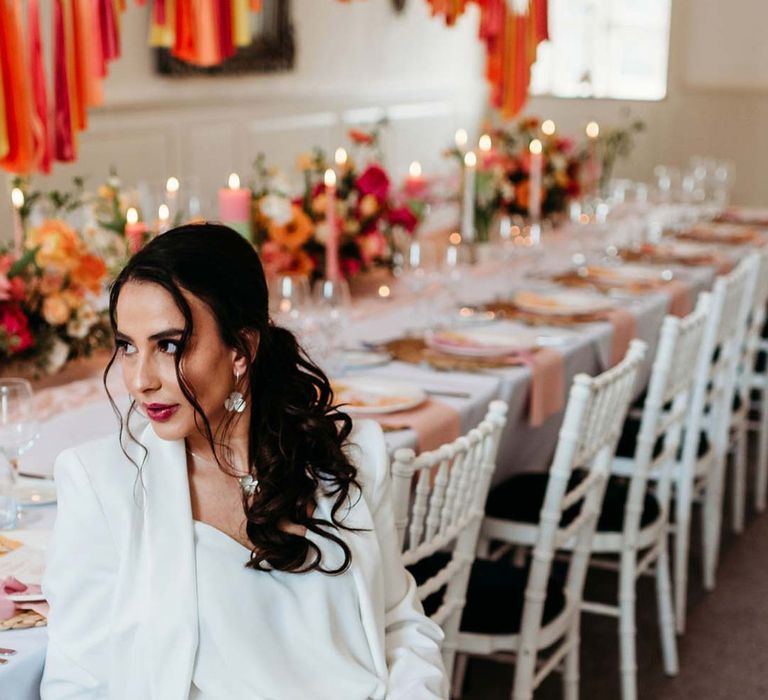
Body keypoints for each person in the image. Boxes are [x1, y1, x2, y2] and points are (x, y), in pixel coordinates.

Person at [41, 224, 447, 700]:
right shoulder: (100, 484)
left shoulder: (347, 457)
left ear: (242, 348)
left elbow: (399, 623)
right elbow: (78, 685)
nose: (140, 380)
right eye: (128, 346)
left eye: (169, 345)